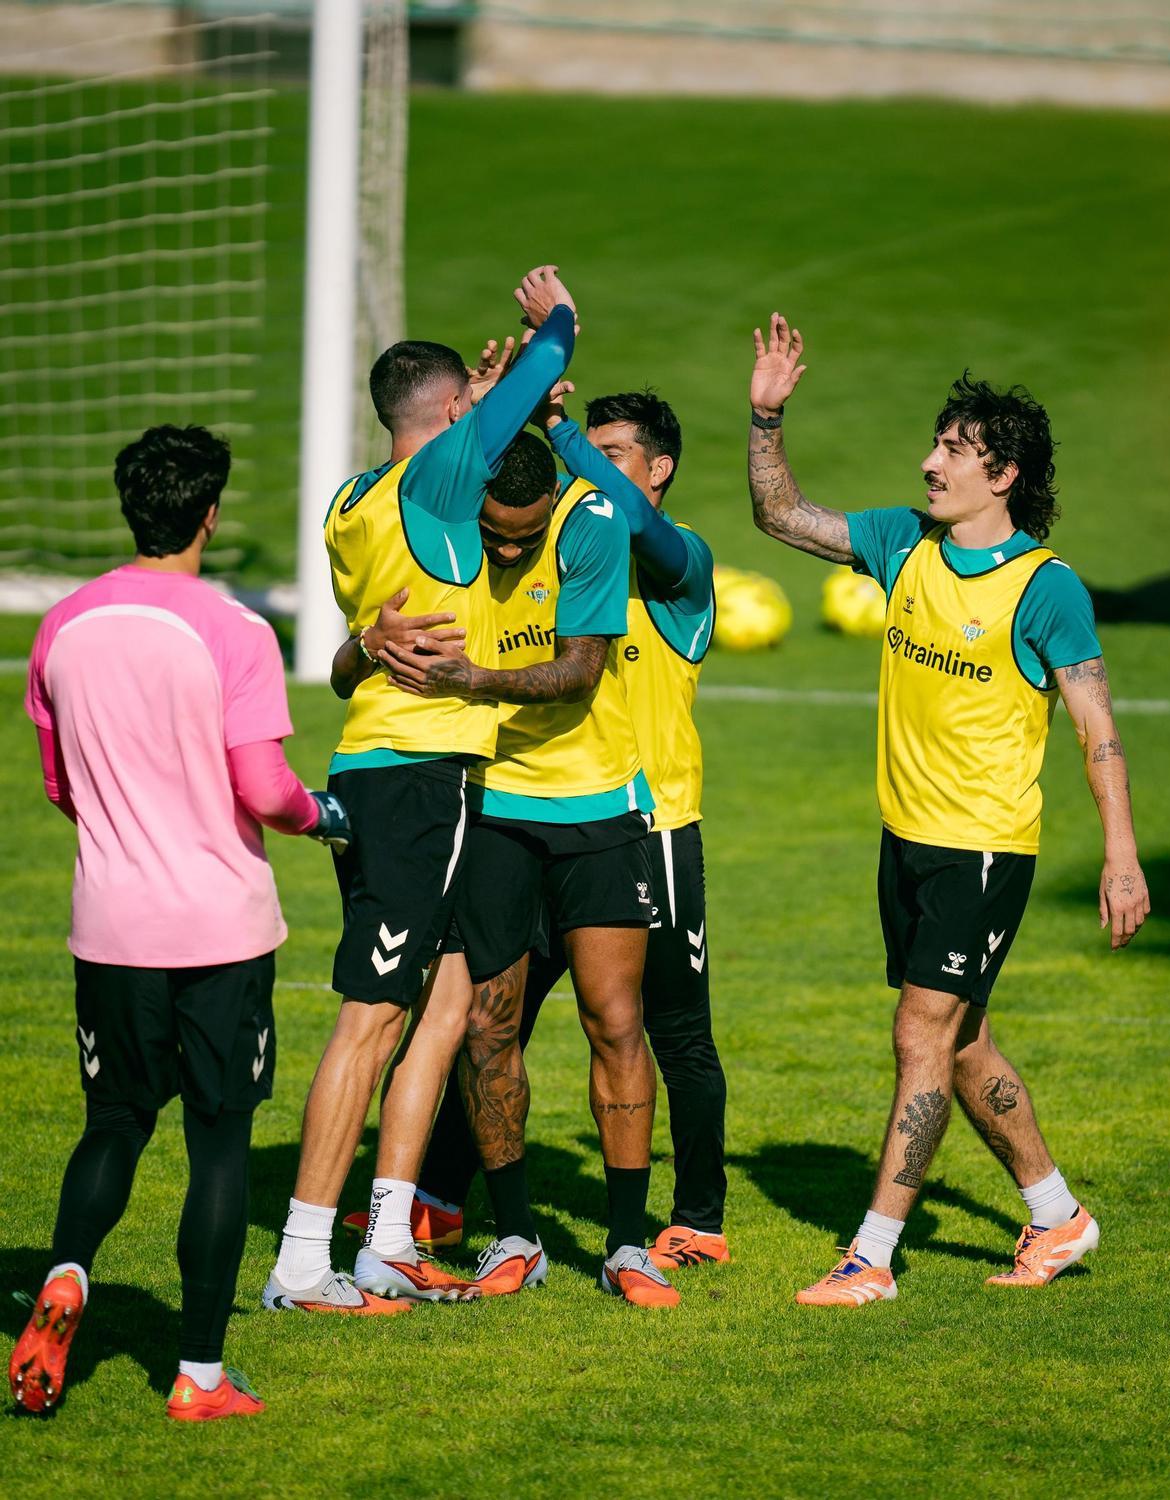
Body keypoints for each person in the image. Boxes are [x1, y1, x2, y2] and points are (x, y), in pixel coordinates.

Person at [746, 314, 1150, 1305]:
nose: (930, 463)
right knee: (962, 1044)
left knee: (919, 1033)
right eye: (936, 445)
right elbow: (782, 517)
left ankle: (870, 1257)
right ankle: (1058, 1219)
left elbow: (1097, 730)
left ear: (1003, 474)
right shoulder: (902, 545)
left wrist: (1122, 857)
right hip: (907, 842)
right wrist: (765, 418)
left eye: (954, 452)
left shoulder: (1046, 591)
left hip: (983, 849)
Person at [11, 425, 349, 1420]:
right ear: (209, 514)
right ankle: (199, 1375)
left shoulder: (61, 625)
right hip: (217, 931)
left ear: (131, 509)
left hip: (110, 926)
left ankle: (69, 1270)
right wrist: (323, 818)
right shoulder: (233, 630)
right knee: (219, 1141)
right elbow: (266, 787)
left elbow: (60, 785)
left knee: (113, 1120)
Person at [262, 267, 578, 1313]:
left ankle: (387, 1238)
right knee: (371, 1017)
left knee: (445, 998)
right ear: (445, 417)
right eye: (465, 418)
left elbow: (370, 633)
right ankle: (303, 1259)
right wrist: (554, 316)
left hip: (377, 762)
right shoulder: (437, 479)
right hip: (419, 774)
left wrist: (481, 403)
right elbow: (550, 364)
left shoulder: (351, 502)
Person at [405, 388, 730, 1272]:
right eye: (592, 447)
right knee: (492, 1019)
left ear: (657, 470)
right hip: (519, 812)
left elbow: (615, 510)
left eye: (613, 448)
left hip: (646, 822)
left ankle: (695, 1212)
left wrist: (553, 428)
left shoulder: (673, 560)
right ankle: (444, 1197)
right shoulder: (564, 540)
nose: (598, 461)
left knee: (665, 1029)